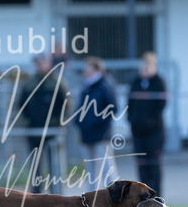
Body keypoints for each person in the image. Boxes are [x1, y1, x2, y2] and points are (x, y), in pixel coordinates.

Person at [17, 53, 68, 193]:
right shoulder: (28, 84)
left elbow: (66, 105)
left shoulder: (57, 83)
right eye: (37, 63)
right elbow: (20, 106)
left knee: (54, 165)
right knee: (35, 167)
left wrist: (57, 123)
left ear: (48, 63)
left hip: (52, 133)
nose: (39, 66)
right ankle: (36, 197)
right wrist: (27, 123)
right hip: (33, 132)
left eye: (41, 62)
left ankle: (55, 195)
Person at [126, 51, 167, 195]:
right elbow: (129, 103)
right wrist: (131, 119)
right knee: (141, 164)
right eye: (143, 65)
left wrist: (150, 122)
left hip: (154, 132)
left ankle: (157, 195)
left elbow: (161, 104)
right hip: (137, 131)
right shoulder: (136, 82)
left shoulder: (159, 82)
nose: (145, 69)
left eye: (148, 66)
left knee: (153, 164)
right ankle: (143, 194)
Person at [76, 56, 118, 188]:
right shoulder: (86, 87)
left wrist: (97, 122)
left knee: (107, 168)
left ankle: (115, 197)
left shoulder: (105, 85)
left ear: (96, 69)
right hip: (87, 134)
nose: (84, 71)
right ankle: (91, 199)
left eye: (87, 67)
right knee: (91, 170)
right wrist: (79, 122)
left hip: (101, 134)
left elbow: (112, 108)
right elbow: (80, 109)